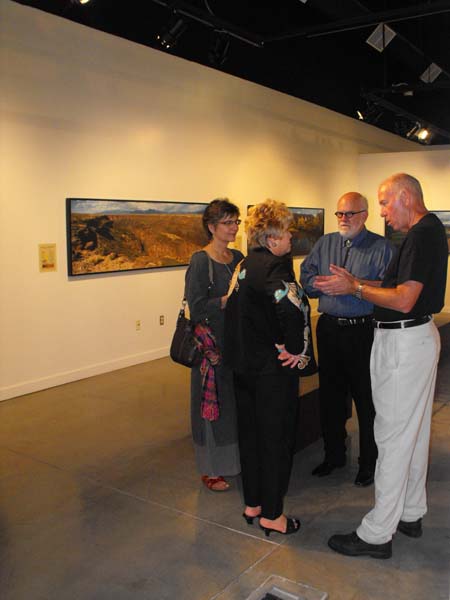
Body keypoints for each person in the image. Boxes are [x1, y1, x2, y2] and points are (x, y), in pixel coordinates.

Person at [326, 173, 448, 559]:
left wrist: (356, 289)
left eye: (383, 202)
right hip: (413, 339)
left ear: (406, 196)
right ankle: (410, 512)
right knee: (412, 431)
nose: (381, 212)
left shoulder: (422, 235)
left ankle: (377, 533)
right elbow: (398, 286)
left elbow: (404, 299)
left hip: (403, 341)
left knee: (392, 436)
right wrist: (358, 281)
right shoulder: (427, 231)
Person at [225, 199, 314, 536]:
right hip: (271, 373)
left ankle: (254, 503)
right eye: (288, 231)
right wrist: (296, 351)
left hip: (244, 368)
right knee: (275, 439)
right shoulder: (277, 268)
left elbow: (232, 312)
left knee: (250, 436)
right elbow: (294, 309)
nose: (292, 238)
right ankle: (273, 515)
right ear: (273, 238)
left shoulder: (244, 265)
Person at [300, 192, 393, 486]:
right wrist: (324, 284)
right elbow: (306, 278)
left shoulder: (383, 248)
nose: (343, 219)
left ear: (365, 215)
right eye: (339, 213)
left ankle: (368, 463)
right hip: (328, 329)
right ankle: (334, 456)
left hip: (363, 332)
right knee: (330, 397)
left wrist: (353, 286)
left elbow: (391, 289)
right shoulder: (325, 243)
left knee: (366, 400)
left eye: (349, 214)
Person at [185, 199, 243, 492]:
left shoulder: (238, 258)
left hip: (235, 346)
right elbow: (194, 308)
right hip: (210, 351)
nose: (234, 228)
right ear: (211, 227)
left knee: (232, 407)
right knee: (211, 409)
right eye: (228, 223)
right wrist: (223, 301)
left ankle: (233, 462)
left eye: (236, 222)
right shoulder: (200, 261)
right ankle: (210, 469)